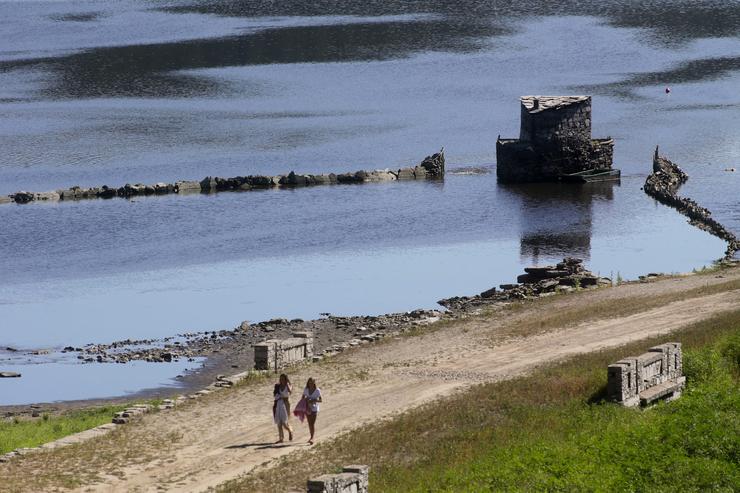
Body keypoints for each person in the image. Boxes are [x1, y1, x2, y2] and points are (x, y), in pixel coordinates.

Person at [273, 373, 293, 443]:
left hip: (286, 404)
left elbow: (290, 392)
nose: (281, 380)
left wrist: (288, 384)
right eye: (280, 379)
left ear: (285, 379)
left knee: (285, 422)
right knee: (279, 422)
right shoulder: (277, 386)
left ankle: (290, 431)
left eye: (283, 379)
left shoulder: (288, 385)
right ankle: (281, 438)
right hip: (279, 404)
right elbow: (275, 394)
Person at [303, 377, 322, 445]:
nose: (310, 384)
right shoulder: (306, 389)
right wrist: (306, 400)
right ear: (308, 383)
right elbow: (303, 397)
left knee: (312, 423)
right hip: (307, 408)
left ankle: (312, 438)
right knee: (309, 423)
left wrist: (313, 400)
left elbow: (320, 400)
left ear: (314, 383)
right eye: (309, 382)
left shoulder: (317, 390)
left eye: (312, 382)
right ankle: (311, 437)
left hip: (314, 408)